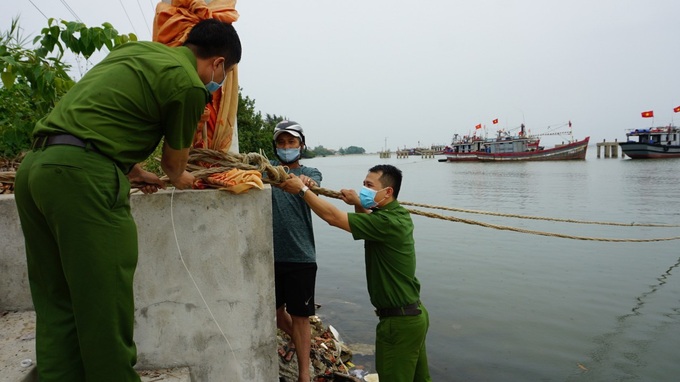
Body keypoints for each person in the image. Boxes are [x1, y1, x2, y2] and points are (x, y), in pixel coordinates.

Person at [13, 19, 241, 382]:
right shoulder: (188, 85)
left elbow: (99, 116)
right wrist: (187, 179)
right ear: (217, 63)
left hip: (37, 169)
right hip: (84, 180)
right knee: (105, 302)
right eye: (225, 73)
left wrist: (133, 169)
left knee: (56, 298)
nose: (220, 81)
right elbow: (173, 165)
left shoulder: (135, 51)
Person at [280, 164, 431, 382]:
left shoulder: (389, 222)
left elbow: (333, 218)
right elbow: (369, 225)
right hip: (412, 317)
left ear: (388, 192)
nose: (364, 190)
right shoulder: (395, 215)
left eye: (369, 186)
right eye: (364, 185)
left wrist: (303, 191)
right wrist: (358, 203)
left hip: (398, 323)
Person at [270, 121, 322, 382]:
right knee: (276, 314)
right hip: (269, 257)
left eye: (292, 142)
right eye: (281, 142)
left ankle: (304, 375)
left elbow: (312, 184)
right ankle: (301, 344)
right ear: (275, 146)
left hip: (301, 256)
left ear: (301, 145)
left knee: (301, 318)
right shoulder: (265, 170)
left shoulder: (310, 173)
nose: (287, 147)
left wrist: (305, 184)